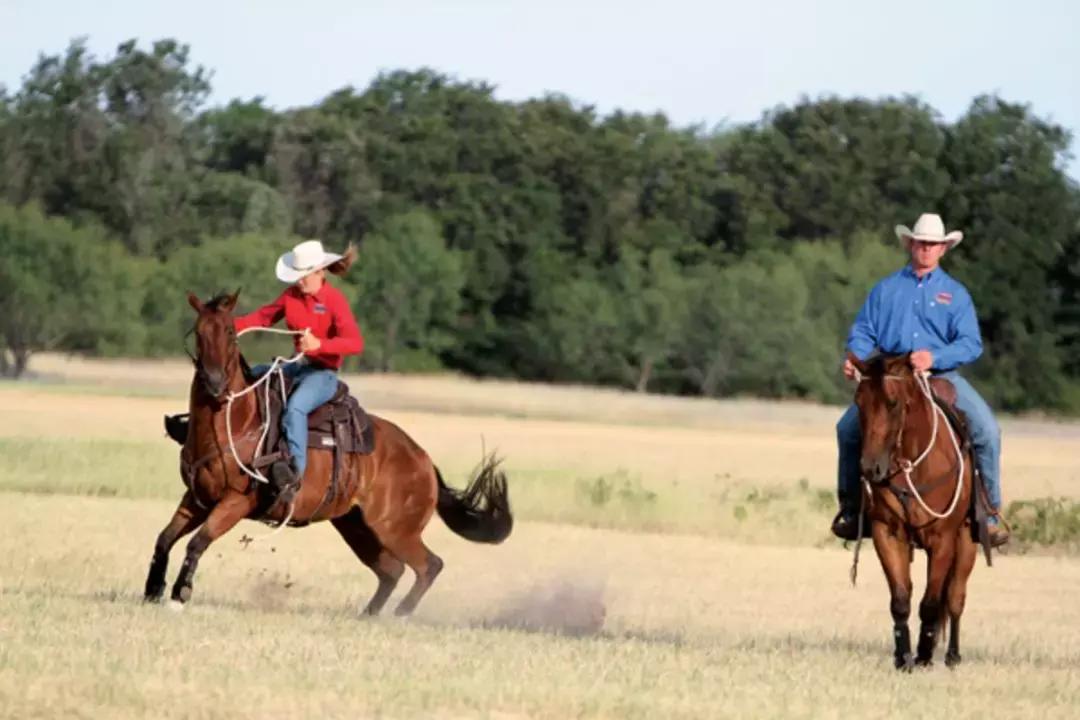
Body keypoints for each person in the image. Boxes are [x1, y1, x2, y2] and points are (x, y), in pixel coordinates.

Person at [832, 213, 1009, 547]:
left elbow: (971, 343)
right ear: (910, 244)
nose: (926, 249)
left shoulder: (956, 294)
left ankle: (990, 511)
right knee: (847, 430)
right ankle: (853, 509)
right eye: (921, 242)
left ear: (943, 249)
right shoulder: (886, 289)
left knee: (987, 431)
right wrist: (855, 358)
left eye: (932, 244)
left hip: (941, 376)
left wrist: (934, 357)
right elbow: (864, 331)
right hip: (889, 379)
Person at [234, 239, 363, 504]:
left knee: (295, 408)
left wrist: (320, 345)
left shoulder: (335, 301)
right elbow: (263, 317)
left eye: (304, 276)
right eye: (297, 276)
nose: (299, 282)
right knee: (252, 376)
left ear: (320, 272)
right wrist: (228, 326)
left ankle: (294, 474)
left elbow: (355, 342)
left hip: (323, 374)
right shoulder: (291, 296)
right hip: (297, 365)